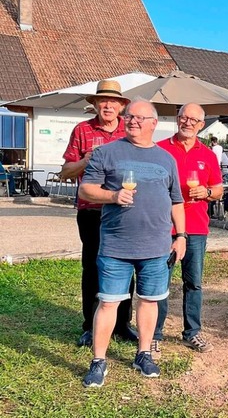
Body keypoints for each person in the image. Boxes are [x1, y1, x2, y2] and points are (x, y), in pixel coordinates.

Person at [79, 98, 186, 388]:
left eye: (139, 117)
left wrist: (181, 236)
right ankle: (98, 361)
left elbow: (177, 201)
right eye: (129, 117)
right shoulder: (107, 152)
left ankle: (143, 353)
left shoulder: (166, 158)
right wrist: (113, 196)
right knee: (109, 302)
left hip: (156, 246)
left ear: (153, 123)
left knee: (149, 301)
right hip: (116, 245)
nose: (132, 121)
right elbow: (86, 189)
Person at [60, 79, 137, 347]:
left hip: (122, 211)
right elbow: (66, 171)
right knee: (93, 266)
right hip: (92, 211)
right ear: (94, 104)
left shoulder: (129, 131)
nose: (107, 105)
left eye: (112, 101)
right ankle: (90, 325)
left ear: (121, 106)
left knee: (126, 266)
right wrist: (85, 160)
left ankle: (123, 324)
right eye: (102, 101)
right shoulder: (82, 130)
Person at [152, 103, 223, 357]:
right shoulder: (160, 149)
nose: (188, 123)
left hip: (196, 227)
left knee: (193, 283)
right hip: (164, 227)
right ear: (177, 119)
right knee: (159, 282)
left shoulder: (208, 154)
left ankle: (192, 332)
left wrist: (205, 192)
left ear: (201, 125)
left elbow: (218, 189)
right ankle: (154, 334)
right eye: (184, 118)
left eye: (194, 120)